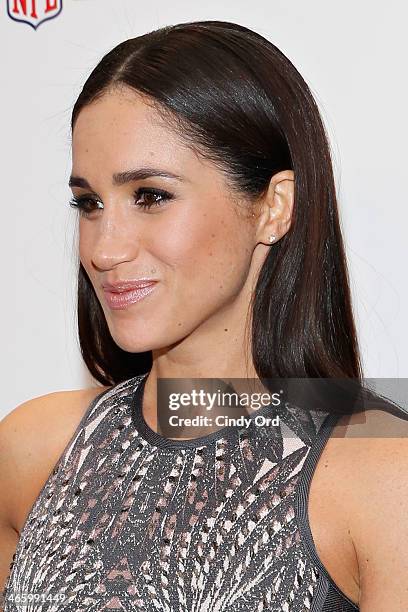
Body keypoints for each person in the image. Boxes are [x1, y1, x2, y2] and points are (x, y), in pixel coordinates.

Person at [1, 19, 408, 612]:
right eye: (89, 203)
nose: (103, 248)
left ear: (273, 207)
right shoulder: (33, 449)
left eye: (150, 196)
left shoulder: (382, 480)